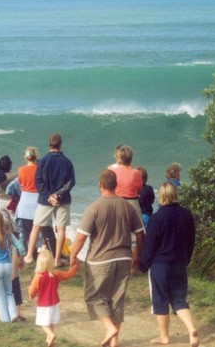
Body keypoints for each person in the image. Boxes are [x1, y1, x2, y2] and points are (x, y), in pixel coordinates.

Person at [69, 169, 145, 347]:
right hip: (124, 258)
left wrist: (73, 256)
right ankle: (114, 342)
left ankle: (110, 328)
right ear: (116, 185)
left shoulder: (94, 208)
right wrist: (137, 256)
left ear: (99, 185)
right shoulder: (127, 206)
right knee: (116, 299)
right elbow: (140, 234)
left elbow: (81, 237)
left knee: (94, 297)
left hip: (100, 260)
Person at [140, 182, 199, 346]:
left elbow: (150, 245)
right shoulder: (186, 214)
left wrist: (143, 265)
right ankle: (191, 328)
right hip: (179, 263)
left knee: (160, 301)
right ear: (175, 194)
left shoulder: (157, 217)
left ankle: (164, 337)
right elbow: (191, 239)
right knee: (179, 300)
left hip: (160, 265)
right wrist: (187, 258)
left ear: (161, 197)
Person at [24, 134, 75, 268]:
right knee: (61, 228)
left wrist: (49, 196)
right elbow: (71, 182)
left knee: (37, 226)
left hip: (45, 199)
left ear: (49, 144)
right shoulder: (67, 161)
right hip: (62, 199)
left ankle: (29, 256)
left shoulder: (43, 161)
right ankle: (57, 259)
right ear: (60, 144)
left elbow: (38, 181)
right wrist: (57, 195)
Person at [28, 248, 78, 347]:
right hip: (55, 302)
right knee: (51, 321)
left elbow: (32, 290)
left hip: (43, 304)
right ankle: (50, 342)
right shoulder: (56, 273)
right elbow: (68, 275)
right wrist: (74, 267)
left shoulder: (38, 276)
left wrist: (31, 295)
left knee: (42, 322)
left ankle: (50, 335)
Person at [109, 145, 144, 258]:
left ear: (118, 157)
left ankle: (115, 258)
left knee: (115, 232)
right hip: (132, 203)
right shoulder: (136, 173)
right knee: (134, 235)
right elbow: (140, 188)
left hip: (115, 202)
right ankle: (134, 265)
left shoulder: (111, 170)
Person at [0, 155, 17, 232]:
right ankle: (17, 243)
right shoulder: (15, 176)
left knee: (4, 227)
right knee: (16, 226)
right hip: (11, 202)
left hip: (0, 201)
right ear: (10, 165)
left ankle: (6, 243)